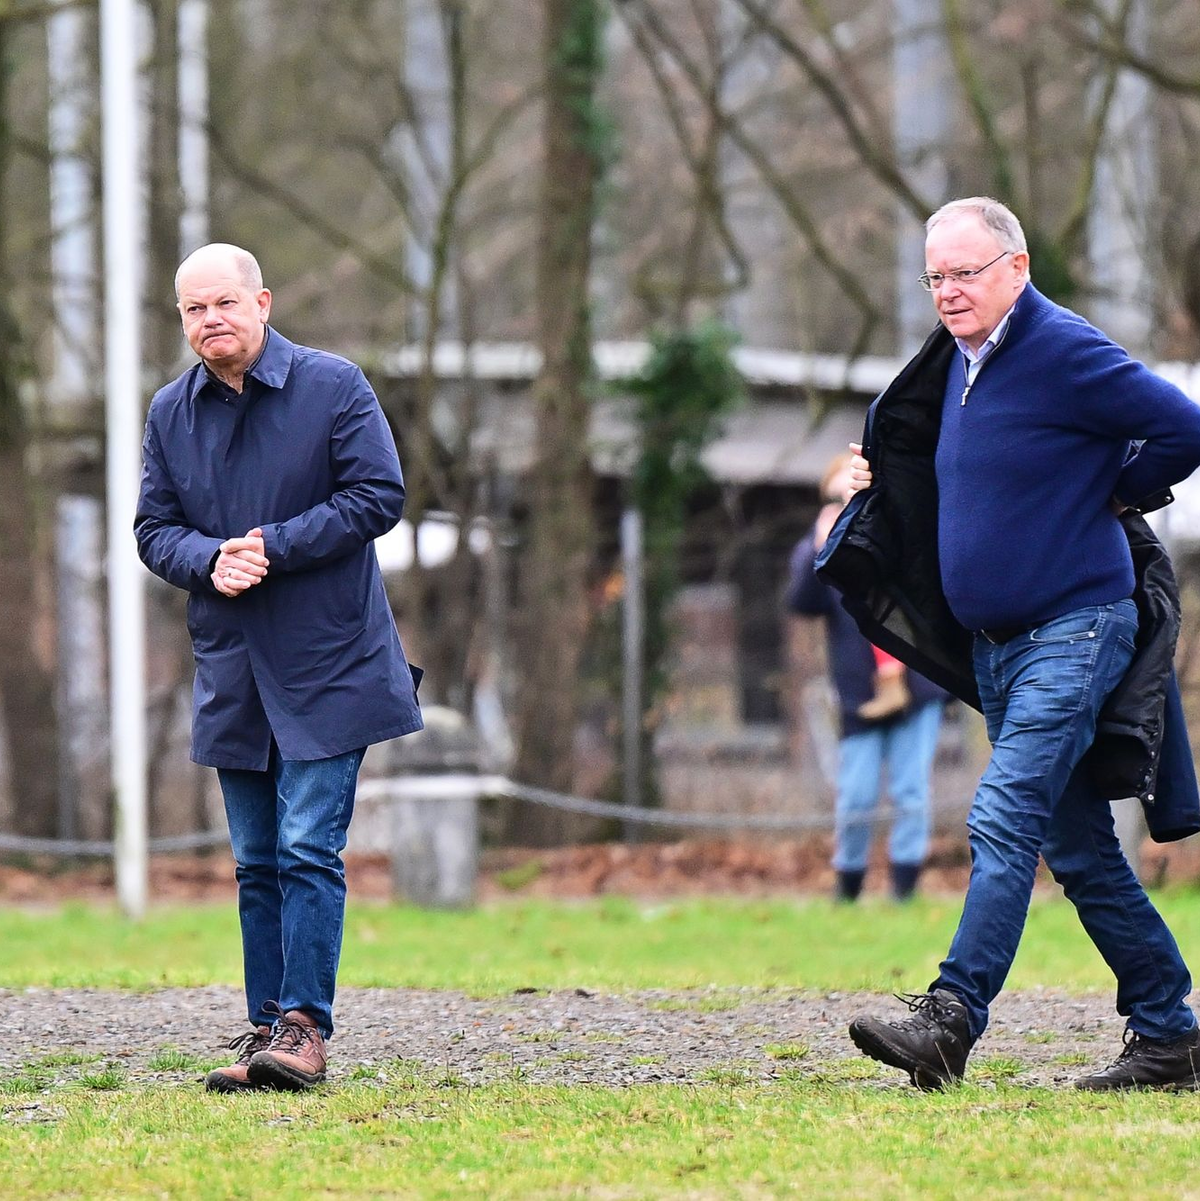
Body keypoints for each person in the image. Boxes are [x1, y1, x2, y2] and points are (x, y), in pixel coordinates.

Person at [818, 196, 1200, 1091]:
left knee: (1002, 814)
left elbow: (1184, 427)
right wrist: (883, 474)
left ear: (1017, 268)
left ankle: (951, 1017)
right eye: (936, 276)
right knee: (1077, 850)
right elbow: (965, 472)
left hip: (1078, 625)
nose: (948, 292)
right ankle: (1171, 1033)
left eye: (966, 273)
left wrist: (1117, 493)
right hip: (998, 644)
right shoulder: (954, 363)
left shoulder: (1064, 348)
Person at [135, 243, 423, 1093]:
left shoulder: (335, 386)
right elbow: (153, 528)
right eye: (193, 309)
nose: (209, 320)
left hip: (331, 658)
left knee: (306, 846)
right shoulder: (168, 412)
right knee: (256, 858)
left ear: (262, 301)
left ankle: (304, 1028)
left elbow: (379, 495)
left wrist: (272, 547)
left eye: (223, 302)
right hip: (232, 667)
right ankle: (266, 1028)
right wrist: (205, 558)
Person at [786, 452, 947, 902]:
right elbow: (801, 603)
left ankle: (903, 890)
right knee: (855, 798)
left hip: (916, 687)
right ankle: (849, 885)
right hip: (860, 694)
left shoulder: (903, 527)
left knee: (911, 791)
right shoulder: (822, 545)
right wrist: (817, 554)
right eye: (838, 495)